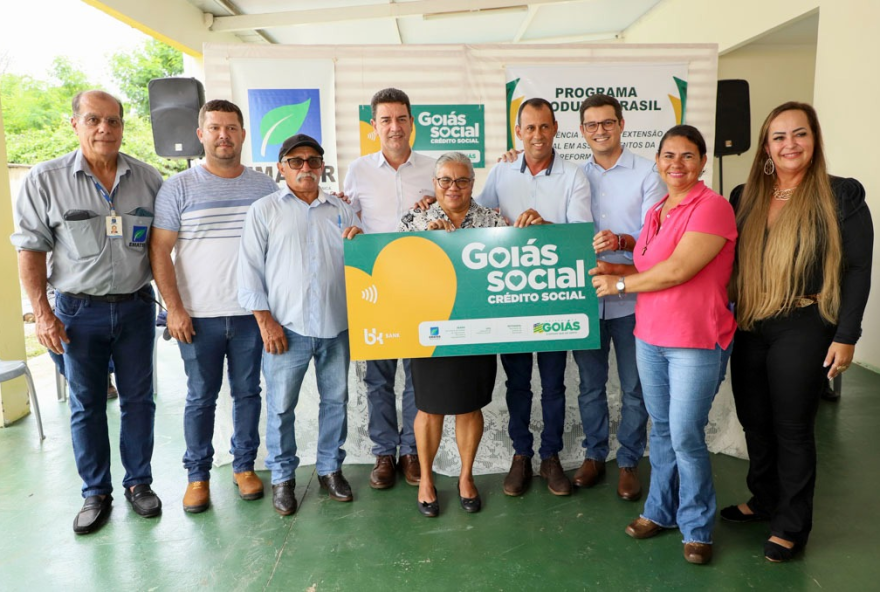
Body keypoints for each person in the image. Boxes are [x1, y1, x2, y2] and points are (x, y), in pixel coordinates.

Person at [723, 102, 873, 562]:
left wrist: (847, 335)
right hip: (752, 321)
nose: (790, 145)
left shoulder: (840, 194)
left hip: (805, 323)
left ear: (814, 139)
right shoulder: (743, 194)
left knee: (792, 427)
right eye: (779, 137)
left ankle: (791, 523)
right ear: (766, 147)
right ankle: (765, 499)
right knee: (755, 420)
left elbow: (858, 268)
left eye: (799, 134)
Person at [12, 90, 164, 534]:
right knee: (86, 404)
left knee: (139, 401)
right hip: (78, 313)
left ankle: (139, 484)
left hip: (136, 309)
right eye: (94, 120)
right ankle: (95, 492)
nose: (105, 129)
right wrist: (42, 313)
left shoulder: (147, 178)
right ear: (74, 123)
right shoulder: (45, 179)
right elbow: (30, 250)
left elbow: (163, 244)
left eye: (114, 121)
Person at [590, 125, 737, 565]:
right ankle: (660, 510)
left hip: (694, 340)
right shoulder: (657, 210)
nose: (677, 164)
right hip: (650, 337)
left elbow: (675, 271)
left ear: (703, 162)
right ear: (657, 161)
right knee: (664, 431)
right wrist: (608, 260)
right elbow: (646, 262)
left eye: (687, 156)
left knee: (687, 436)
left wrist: (617, 283)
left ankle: (696, 528)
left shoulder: (713, 208)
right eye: (668, 155)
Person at [151, 99, 279, 513]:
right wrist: (174, 308)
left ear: (243, 135)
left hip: (250, 315)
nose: (224, 135)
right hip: (197, 318)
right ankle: (197, 476)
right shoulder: (179, 187)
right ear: (201, 134)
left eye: (232, 128)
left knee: (248, 393)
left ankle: (244, 467)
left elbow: (279, 248)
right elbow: (160, 250)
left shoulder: (264, 187)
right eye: (215, 128)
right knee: (201, 397)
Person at [238, 134, 362, 515]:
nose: (305, 167)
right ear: (281, 168)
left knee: (336, 402)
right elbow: (249, 270)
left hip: (337, 327)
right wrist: (264, 321)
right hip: (285, 328)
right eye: (296, 161)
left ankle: (330, 469)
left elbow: (364, 265)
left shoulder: (342, 210)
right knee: (280, 408)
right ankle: (282, 479)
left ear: (322, 165)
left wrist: (361, 243)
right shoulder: (264, 210)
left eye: (313, 160)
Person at [477, 97, 592, 497]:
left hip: (556, 297)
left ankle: (551, 456)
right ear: (518, 132)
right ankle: (521, 455)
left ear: (555, 129)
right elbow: (480, 219)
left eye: (544, 127)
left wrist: (546, 226)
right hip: (511, 296)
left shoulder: (574, 176)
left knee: (555, 385)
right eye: (530, 128)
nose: (538, 135)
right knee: (518, 385)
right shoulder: (501, 171)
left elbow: (582, 235)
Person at [397, 152, 507, 517]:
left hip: (477, 329)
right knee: (428, 408)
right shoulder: (415, 220)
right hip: (431, 330)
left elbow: (507, 269)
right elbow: (398, 273)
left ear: (473, 184)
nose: (453, 187)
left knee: (468, 404)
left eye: (462, 180)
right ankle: (426, 479)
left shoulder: (492, 221)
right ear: (434, 183)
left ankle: (465, 476)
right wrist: (424, 247)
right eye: (445, 180)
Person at [570, 94, 666, 501]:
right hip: (586, 299)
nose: (600, 131)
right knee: (590, 387)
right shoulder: (572, 176)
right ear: (582, 132)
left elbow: (659, 235)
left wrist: (624, 242)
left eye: (607, 123)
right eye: (591, 125)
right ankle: (594, 455)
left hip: (632, 298)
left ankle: (627, 460)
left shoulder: (649, 173)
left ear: (622, 124)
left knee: (634, 387)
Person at [344, 88, 435, 490]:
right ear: (373, 126)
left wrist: (440, 203)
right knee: (378, 378)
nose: (394, 127)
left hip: (422, 288)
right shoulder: (358, 171)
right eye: (385, 120)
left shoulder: (434, 168)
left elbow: (458, 211)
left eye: (401, 118)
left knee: (418, 377)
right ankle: (384, 453)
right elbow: (348, 223)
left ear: (412, 122)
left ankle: (412, 451)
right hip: (375, 291)